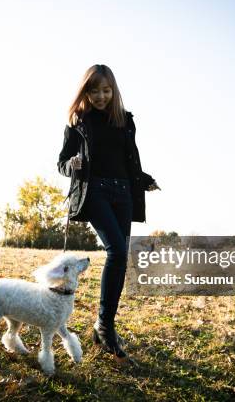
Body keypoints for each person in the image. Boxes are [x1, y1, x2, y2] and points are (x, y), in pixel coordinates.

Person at [57, 64, 159, 364]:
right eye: (94, 90)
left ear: (113, 90)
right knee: (115, 249)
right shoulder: (78, 120)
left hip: (123, 192)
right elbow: (61, 161)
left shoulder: (124, 120)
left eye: (106, 90)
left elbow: (130, 159)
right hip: (95, 191)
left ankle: (104, 325)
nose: (101, 96)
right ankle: (105, 325)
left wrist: (143, 179)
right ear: (85, 91)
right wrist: (71, 165)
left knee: (122, 254)